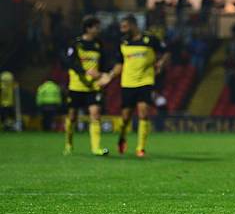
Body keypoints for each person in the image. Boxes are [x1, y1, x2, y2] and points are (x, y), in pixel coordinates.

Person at [102, 14, 169, 157]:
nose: (122, 29)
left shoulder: (150, 39)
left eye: (124, 26)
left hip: (145, 81)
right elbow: (119, 65)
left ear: (133, 25)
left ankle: (140, 148)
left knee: (143, 112)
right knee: (125, 118)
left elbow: (165, 52)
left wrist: (161, 63)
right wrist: (109, 76)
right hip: (128, 83)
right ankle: (122, 138)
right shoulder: (123, 42)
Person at [64, 16, 109, 156]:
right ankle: (69, 144)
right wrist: (86, 71)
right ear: (88, 28)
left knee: (95, 115)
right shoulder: (76, 44)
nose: (98, 30)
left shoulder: (99, 45)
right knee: (72, 117)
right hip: (76, 86)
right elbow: (69, 63)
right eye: (96, 27)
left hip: (93, 87)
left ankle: (96, 148)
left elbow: (104, 64)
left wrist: (104, 75)